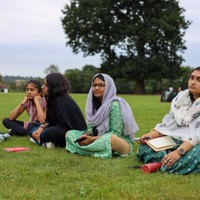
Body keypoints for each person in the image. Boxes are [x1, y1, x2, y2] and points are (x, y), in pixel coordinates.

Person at [138, 67, 200, 174]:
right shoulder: (180, 99)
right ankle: (167, 161)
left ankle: (162, 163)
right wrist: (151, 135)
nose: (193, 82)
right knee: (144, 147)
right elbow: (167, 125)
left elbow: (196, 136)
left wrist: (179, 152)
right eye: (192, 78)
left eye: (199, 80)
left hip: (194, 144)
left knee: (197, 153)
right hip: (174, 140)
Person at [65, 73, 139, 158]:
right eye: (94, 85)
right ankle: (93, 149)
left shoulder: (115, 104)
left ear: (108, 87)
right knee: (69, 134)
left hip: (119, 142)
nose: (96, 88)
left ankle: (85, 149)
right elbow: (93, 129)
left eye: (101, 85)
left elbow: (116, 134)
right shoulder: (94, 105)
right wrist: (87, 135)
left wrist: (92, 139)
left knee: (111, 139)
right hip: (98, 138)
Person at [29, 73, 87, 148]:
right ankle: (45, 141)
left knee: (50, 132)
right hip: (57, 127)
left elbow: (65, 126)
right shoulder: (52, 99)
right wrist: (41, 128)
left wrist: (43, 131)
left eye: (46, 85)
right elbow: (50, 122)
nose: (42, 87)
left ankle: (41, 140)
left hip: (71, 132)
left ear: (53, 87)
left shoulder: (62, 101)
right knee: (31, 126)